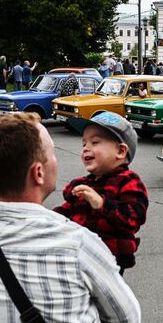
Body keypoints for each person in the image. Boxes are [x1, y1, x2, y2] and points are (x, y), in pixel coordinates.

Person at [0, 113, 141, 323]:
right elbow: (127, 321)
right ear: (38, 172)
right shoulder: (79, 246)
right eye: (53, 153)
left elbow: (132, 215)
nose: (84, 149)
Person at [54, 112, 148, 276]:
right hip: (77, 257)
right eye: (83, 143)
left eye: (95, 142)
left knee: (103, 299)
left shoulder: (129, 181)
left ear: (120, 151)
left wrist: (102, 204)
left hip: (109, 263)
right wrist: (45, 217)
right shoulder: (84, 184)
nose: (86, 148)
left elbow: (133, 219)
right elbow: (67, 211)